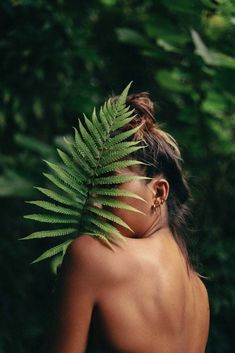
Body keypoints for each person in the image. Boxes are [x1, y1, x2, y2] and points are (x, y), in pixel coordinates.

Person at [46, 93, 210, 353]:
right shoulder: (199, 292)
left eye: (110, 185)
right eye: (94, 187)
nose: (94, 202)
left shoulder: (92, 255)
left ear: (158, 192)